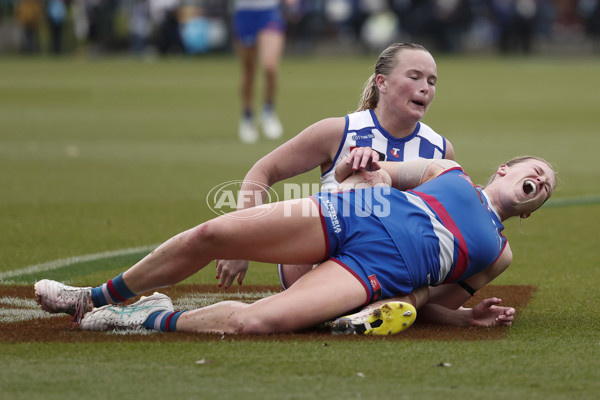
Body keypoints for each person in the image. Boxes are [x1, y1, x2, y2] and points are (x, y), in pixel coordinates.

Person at [34, 155, 556, 335]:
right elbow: (383, 172)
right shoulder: (449, 171)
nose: (541, 180)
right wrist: (367, 169)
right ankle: (93, 298)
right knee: (213, 234)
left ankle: (142, 316)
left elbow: (424, 305)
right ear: (505, 169)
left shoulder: (498, 254)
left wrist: (463, 318)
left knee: (258, 323)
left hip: (374, 272)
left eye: (546, 188)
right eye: (536, 170)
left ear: (529, 209)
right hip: (354, 214)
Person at [217, 42, 455, 290]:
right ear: (382, 83)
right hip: (322, 260)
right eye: (415, 77)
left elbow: (449, 228)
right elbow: (263, 171)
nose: (425, 88)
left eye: (432, 81)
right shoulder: (339, 131)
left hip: (391, 265)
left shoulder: (440, 149)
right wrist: (239, 244)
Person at [234, 0, 293, 143]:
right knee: (249, 69)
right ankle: (247, 117)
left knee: (270, 66)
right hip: (244, 12)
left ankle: (268, 110)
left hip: (268, 11)